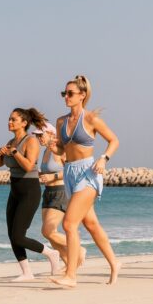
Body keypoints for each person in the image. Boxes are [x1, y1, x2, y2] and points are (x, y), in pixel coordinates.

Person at [50, 75, 120, 287]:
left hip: (89, 173)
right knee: (91, 225)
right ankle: (115, 264)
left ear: (82, 95)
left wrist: (104, 158)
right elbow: (62, 149)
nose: (66, 97)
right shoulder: (61, 121)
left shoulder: (91, 119)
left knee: (69, 224)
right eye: (64, 93)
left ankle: (71, 275)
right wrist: (51, 146)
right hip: (70, 172)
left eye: (70, 93)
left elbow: (114, 140)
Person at [0, 108, 62, 281]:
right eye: (9, 119)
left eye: (14, 119)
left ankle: (52, 254)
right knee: (12, 234)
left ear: (24, 123)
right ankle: (26, 272)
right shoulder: (11, 141)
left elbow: (28, 165)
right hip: (15, 190)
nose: (9, 122)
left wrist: (15, 152)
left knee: (18, 235)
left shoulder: (30, 141)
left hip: (29, 191)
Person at [36, 123, 80, 269]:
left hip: (61, 192)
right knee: (49, 234)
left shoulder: (60, 151)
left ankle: (78, 249)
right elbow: (47, 172)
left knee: (47, 231)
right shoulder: (45, 152)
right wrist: (41, 175)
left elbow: (71, 170)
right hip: (48, 193)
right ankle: (68, 265)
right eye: (36, 135)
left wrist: (53, 177)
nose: (38, 138)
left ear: (51, 134)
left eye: (40, 135)